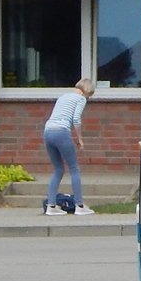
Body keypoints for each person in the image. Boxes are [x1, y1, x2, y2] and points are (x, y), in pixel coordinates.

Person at [42, 78, 96, 216]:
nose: (88, 99)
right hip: (61, 132)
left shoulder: (63, 97)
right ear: (87, 91)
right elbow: (76, 119)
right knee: (74, 168)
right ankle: (79, 205)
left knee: (58, 169)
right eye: (89, 96)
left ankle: (51, 206)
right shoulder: (80, 99)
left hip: (47, 131)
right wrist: (79, 139)